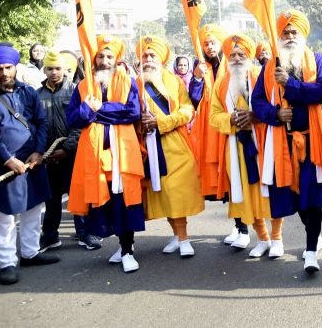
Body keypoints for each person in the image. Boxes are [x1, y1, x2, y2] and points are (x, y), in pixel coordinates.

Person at [252, 10, 322, 274]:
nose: (289, 36)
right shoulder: (269, 67)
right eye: (285, 32)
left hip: (313, 143)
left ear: (303, 35)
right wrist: (275, 114)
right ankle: (313, 235)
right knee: (296, 199)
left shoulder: (319, 60)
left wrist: (291, 84)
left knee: (313, 199)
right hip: (282, 144)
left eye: (293, 32)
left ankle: (311, 252)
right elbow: (257, 101)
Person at [66, 36, 145, 273]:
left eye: (109, 56)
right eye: (100, 56)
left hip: (122, 155)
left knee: (124, 201)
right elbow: (73, 119)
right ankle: (121, 247)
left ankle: (128, 250)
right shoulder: (83, 86)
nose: (104, 60)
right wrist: (87, 109)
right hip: (94, 157)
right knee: (106, 203)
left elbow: (132, 113)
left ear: (116, 59)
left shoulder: (128, 81)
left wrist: (98, 109)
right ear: (94, 58)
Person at [210, 33, 285, 258]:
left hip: (263, 141)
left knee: (269, 192)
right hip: (236, 146)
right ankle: (262, 238)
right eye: (232, 54)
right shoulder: (221, 82)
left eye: (241, 54)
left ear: (249, 56)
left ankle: (277, 239)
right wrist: (231, 119)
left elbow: (274, 106)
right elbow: (213, 116)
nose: (236, 58)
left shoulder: (262, 76)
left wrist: (255, 116)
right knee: (246, 194)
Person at [0, 45, 58, 286]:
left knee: (34, 208)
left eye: (8, 67)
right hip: (2, 166)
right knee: (5, 215)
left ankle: (30, 252)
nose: (4, 73)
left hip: (32, 163)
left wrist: (38, 152)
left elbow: (41, 122)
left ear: (15, 67)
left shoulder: (28, 92)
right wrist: (8, 159)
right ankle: (7, 263)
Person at [136, 36, 204, 257]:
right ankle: (177, 235)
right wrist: (141, 123)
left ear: (162, 59)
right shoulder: (134, 83)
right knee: (163, 193)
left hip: (175, 143)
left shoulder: (175, 81)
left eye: (152, 55)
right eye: (145, 56)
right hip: (148, 145)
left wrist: (161, 121)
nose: (148, 59)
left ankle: (184, 238)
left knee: (176, 191)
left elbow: (188, 110)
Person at [37, 52, 101, 252]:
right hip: (49, 156)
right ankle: (50, 237)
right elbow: (37, 125)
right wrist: (42, 152)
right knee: (52, 199)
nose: (54, 72)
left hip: (73, 153)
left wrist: (67, 148)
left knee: (78, 195)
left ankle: (85, 234)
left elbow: (81, 123)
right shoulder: (37, 94)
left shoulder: (75, 90)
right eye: (50, 69)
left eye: (57, 68)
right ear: (44, 70)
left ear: (65, 70)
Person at [188, 25, 234, 240]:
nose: (209, 47)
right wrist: (197, 78)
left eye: (213, 42)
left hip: (230, 125)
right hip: (209, 129)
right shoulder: (201, 67)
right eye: (206, 44)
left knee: (234, 172)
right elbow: (194, 99)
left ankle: (242, 226)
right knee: (221, 175)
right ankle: (239, 225)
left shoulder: (231, 63)